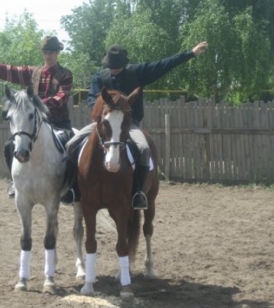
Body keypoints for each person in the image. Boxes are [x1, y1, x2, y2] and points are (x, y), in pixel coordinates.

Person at [61, 41, 208, 209]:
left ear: (124, 64)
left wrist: (191, 53)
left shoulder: (137, 72)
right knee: (71, 144)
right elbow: (92, 99)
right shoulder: (99, 77)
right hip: (104, 125)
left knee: (144, 149)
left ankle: (138, 192)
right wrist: (105, 109)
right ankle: (72, 188)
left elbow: (163, 65)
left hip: (129, 125)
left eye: (117, 67)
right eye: (111, 67)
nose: (114, 70)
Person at [0, 36, 73, 197]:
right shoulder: (33, 73)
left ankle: (71, 187)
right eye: (45, 52)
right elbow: (9, 70)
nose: (48, 56)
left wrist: (37, 103)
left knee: (73, 147)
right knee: (9, 145)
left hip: (58, 123)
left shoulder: (65, 75)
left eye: (51, 52)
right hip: (34, 124)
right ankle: (14, 182)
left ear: (57, 53)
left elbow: (62, 97)